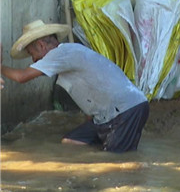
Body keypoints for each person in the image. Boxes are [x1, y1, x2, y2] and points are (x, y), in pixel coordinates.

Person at [1, 20, 149, 153]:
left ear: (41, 45)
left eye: (31, 53)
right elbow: (89, 94)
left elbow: (22, 77)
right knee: (71, 142)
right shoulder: (69, 52)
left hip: (125, 110)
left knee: (116, 161)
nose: (33, 60)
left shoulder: (59, 54)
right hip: (118, 110)